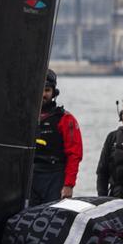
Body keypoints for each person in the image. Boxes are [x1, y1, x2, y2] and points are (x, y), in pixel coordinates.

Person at [29, 69, 82, 206]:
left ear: (53, 93)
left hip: (54, 178)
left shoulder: (66, 119)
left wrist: (68, 185)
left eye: (46, 90)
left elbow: (74, 154)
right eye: (40, 89)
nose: (43, 94)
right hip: (29, 177)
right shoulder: (25, 118)